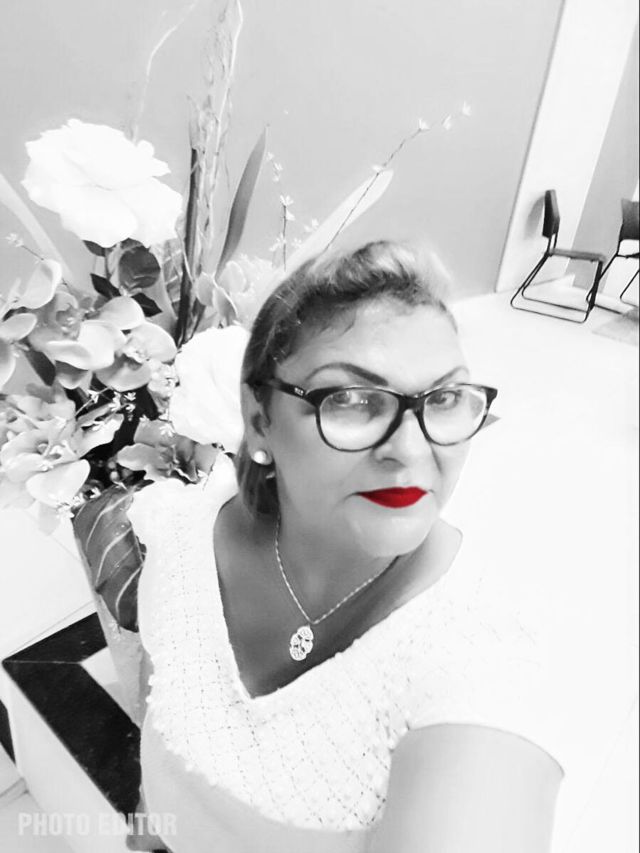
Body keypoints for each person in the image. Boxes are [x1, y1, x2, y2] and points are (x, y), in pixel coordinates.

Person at [127, 241, 565, 852]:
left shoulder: (479, 656)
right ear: (259, 419)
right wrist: (146, 828)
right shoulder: (186, 533)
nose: (410, 452)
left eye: (443, 399)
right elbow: (161, 716)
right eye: (351, 400)